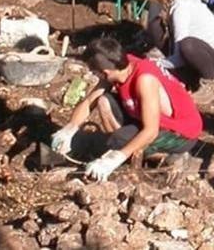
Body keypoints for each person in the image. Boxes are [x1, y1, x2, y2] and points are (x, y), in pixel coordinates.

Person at [51, 36, 202, 181]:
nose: (93, 75)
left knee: (117, 142)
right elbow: (91, 100)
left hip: (180, 133)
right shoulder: (122, 65)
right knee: (104, 101)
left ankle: (165, 156)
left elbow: (151, 130)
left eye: (94, 72)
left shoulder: (145, 80)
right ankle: (127, 151)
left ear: (105, 73)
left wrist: (115, 158)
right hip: (145, 118)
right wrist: (69, 129)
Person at [142, 0, 214, 104]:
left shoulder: (181, 8)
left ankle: (212, 82)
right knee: (157, 26)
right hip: (198, 55)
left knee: (187, 45)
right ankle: (186, 76)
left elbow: (180, 51)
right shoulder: (174, 0)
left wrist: (159, 64)